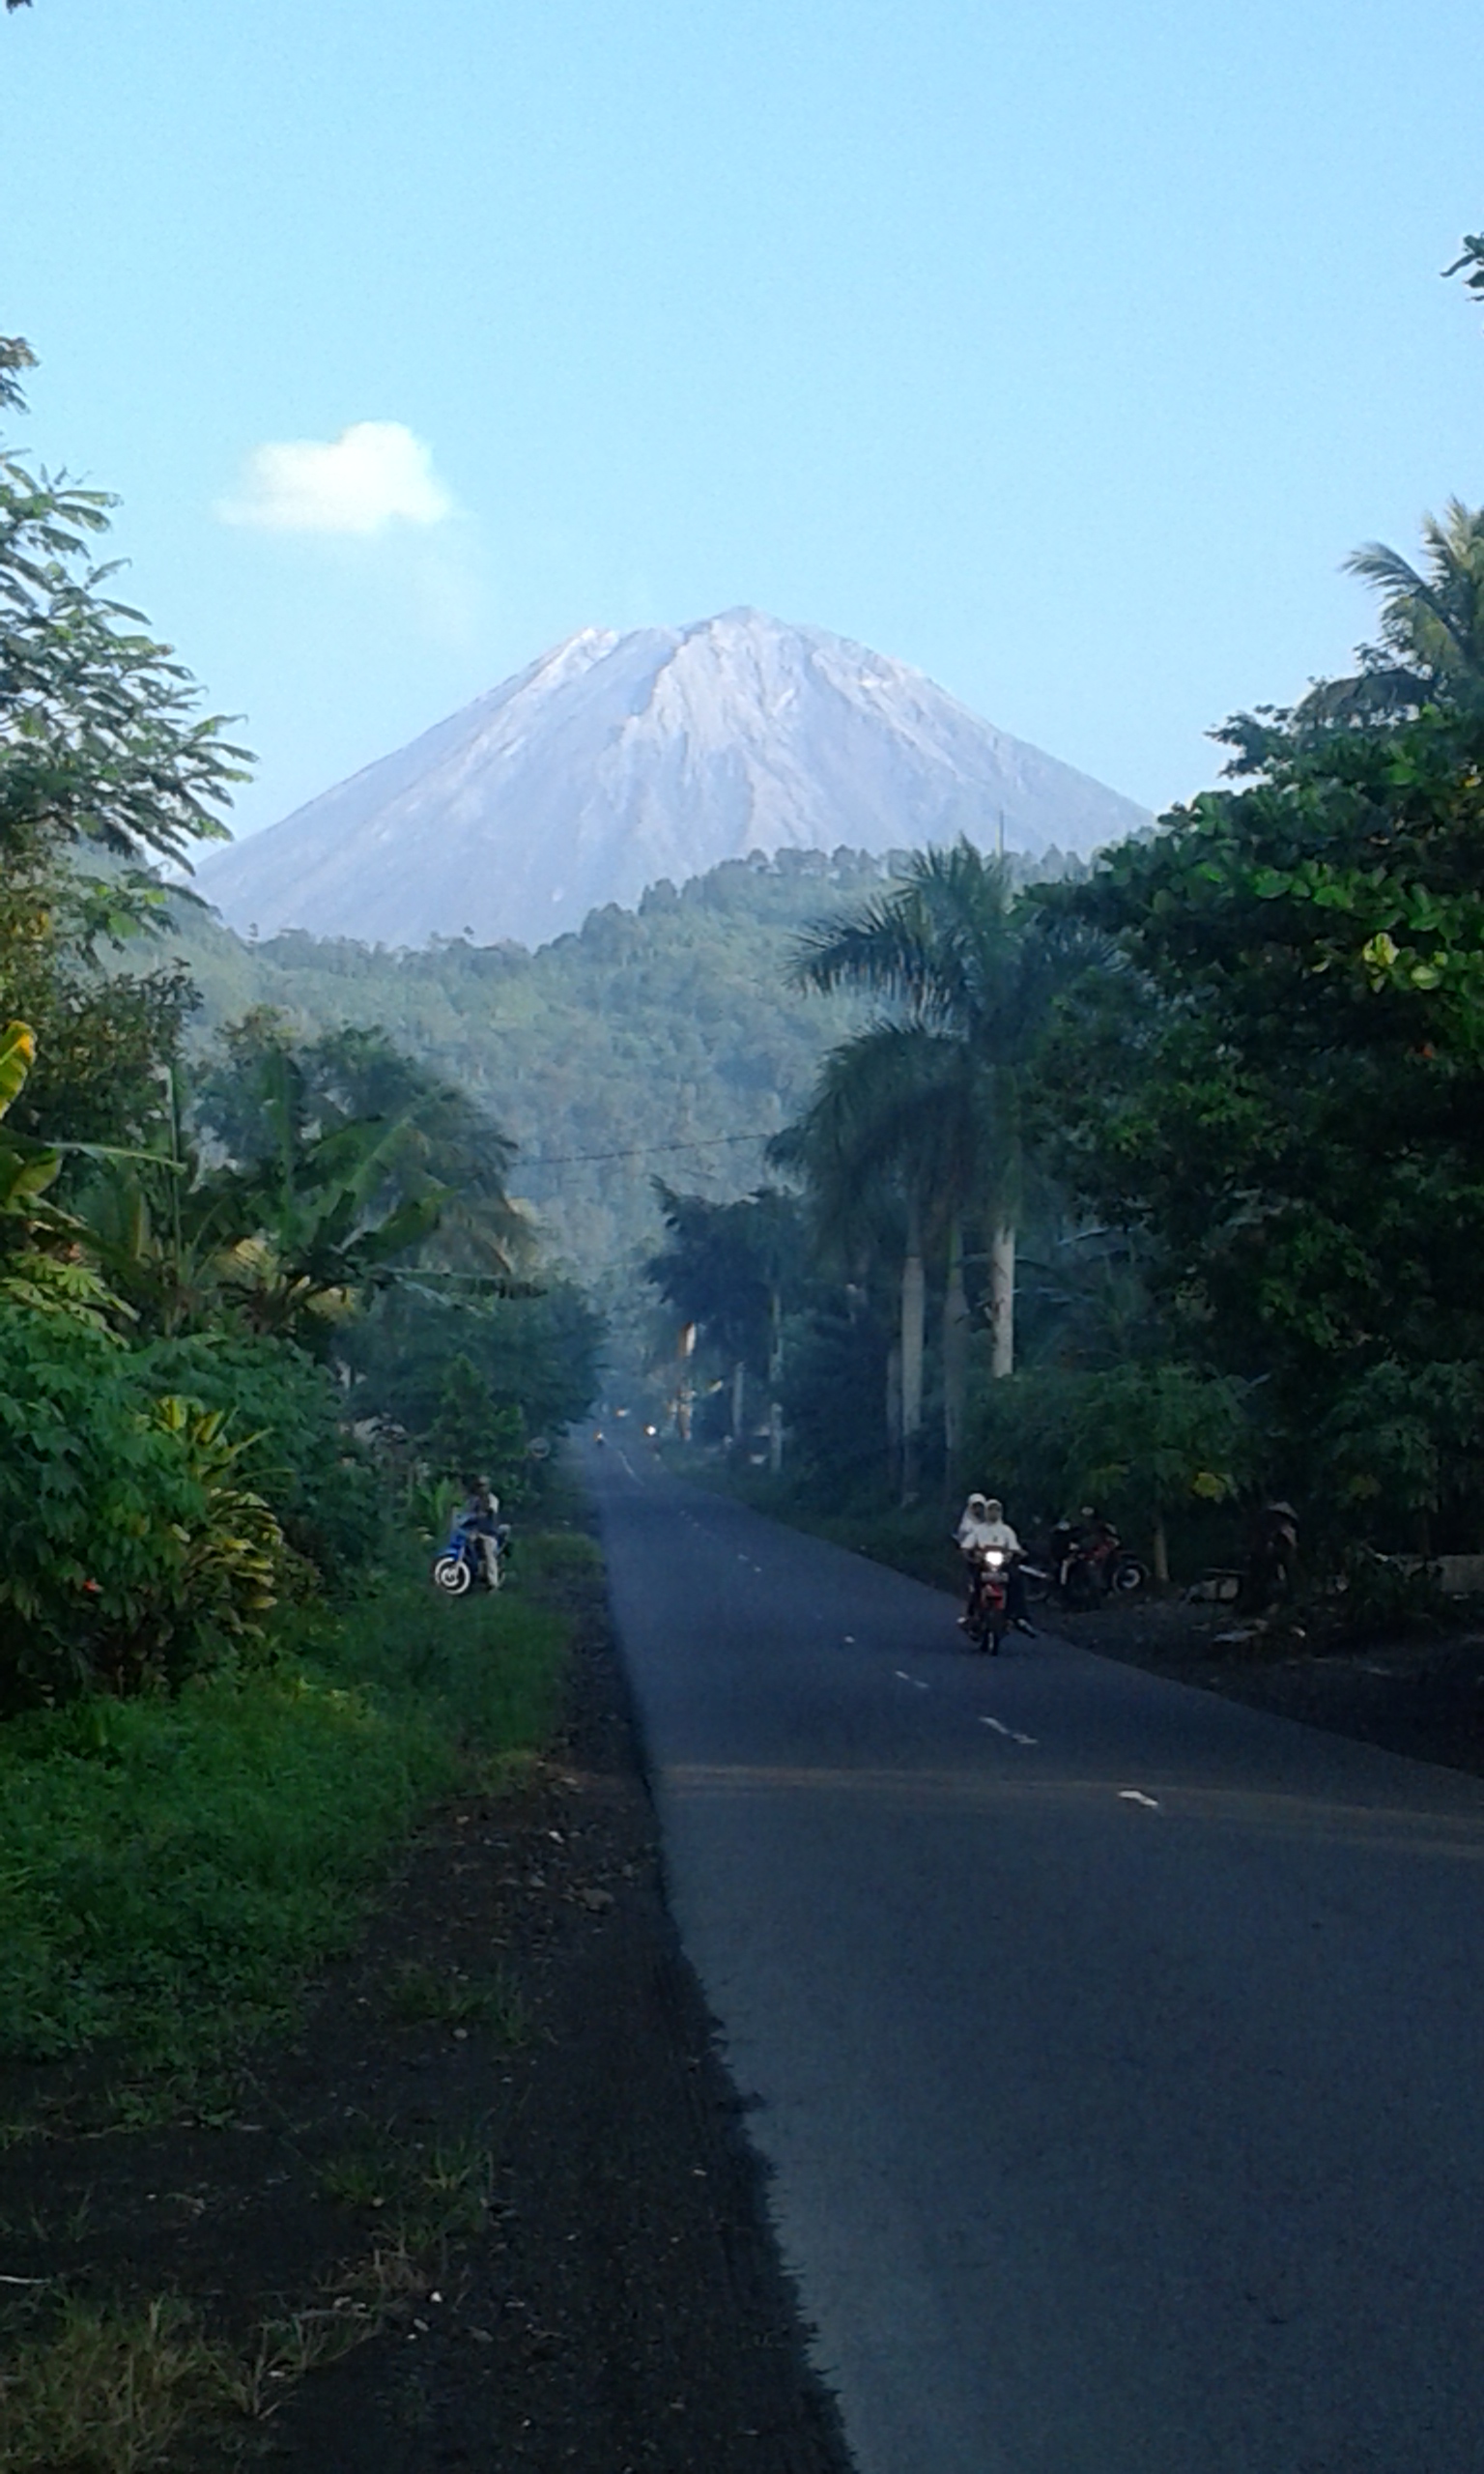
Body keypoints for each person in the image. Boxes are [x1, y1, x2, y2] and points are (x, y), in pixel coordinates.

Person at [955, 1493, 1035, 1632]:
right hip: (982, 1564)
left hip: (1001, 1565)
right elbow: (967, 1544)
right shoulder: (978, 1529)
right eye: (991, 1510)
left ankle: (1017, 1616)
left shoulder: (1006, 1530)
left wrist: (1017, 1553)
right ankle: (971, 1614)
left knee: (1015, 1580)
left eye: (996, 1510)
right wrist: (970, 1552)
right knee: (976, 1584)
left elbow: (1014, 1546)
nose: (993, 1513)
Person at [459, 1474, 508, 1589]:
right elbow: (467, 1513)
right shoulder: (474, 1500)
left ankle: (493, 1583)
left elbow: (489, 1513)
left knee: (488, 1554)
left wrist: (479, 1515)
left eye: (483, 1485)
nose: (481, 1488)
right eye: (479, 1485)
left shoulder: (492, 1499)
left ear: (488, 1486)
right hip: (475, 1531)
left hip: (488, 1533)